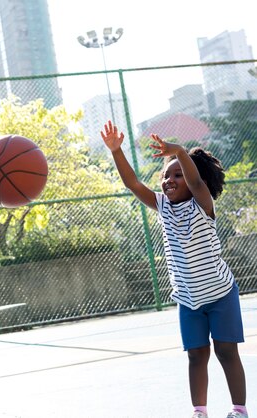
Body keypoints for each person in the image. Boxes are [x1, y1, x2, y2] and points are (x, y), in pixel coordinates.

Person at [101, 120, 248, 418]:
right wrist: (117, 151)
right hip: (188, 298)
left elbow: (196, 184)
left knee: (226, 352)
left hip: (220, 293)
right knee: (196, 355)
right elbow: (132, 183)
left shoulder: (202, 205)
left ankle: (238, 409)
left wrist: (180, 151)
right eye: (166, 176)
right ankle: (200, 411)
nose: (169, 180)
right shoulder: (163, 206)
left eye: (177, 175)